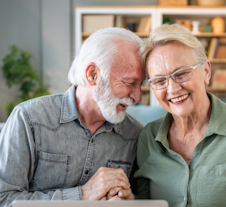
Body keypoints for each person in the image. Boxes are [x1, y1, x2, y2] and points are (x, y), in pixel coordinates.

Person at [131, 24, 226, 207]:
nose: (173, 89)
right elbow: (145, 202)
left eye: (181, 74)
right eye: (160, 81)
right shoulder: (148, 137)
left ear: (206, 72)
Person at [0, 27, 145, 206]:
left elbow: (144, 199)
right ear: (93, 74)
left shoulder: (136, 134)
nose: (137, 97)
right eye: (129, 83)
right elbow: (4, 198)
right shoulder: (29, 119)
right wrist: (83, 194)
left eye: (141, 85)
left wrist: (129, 201)